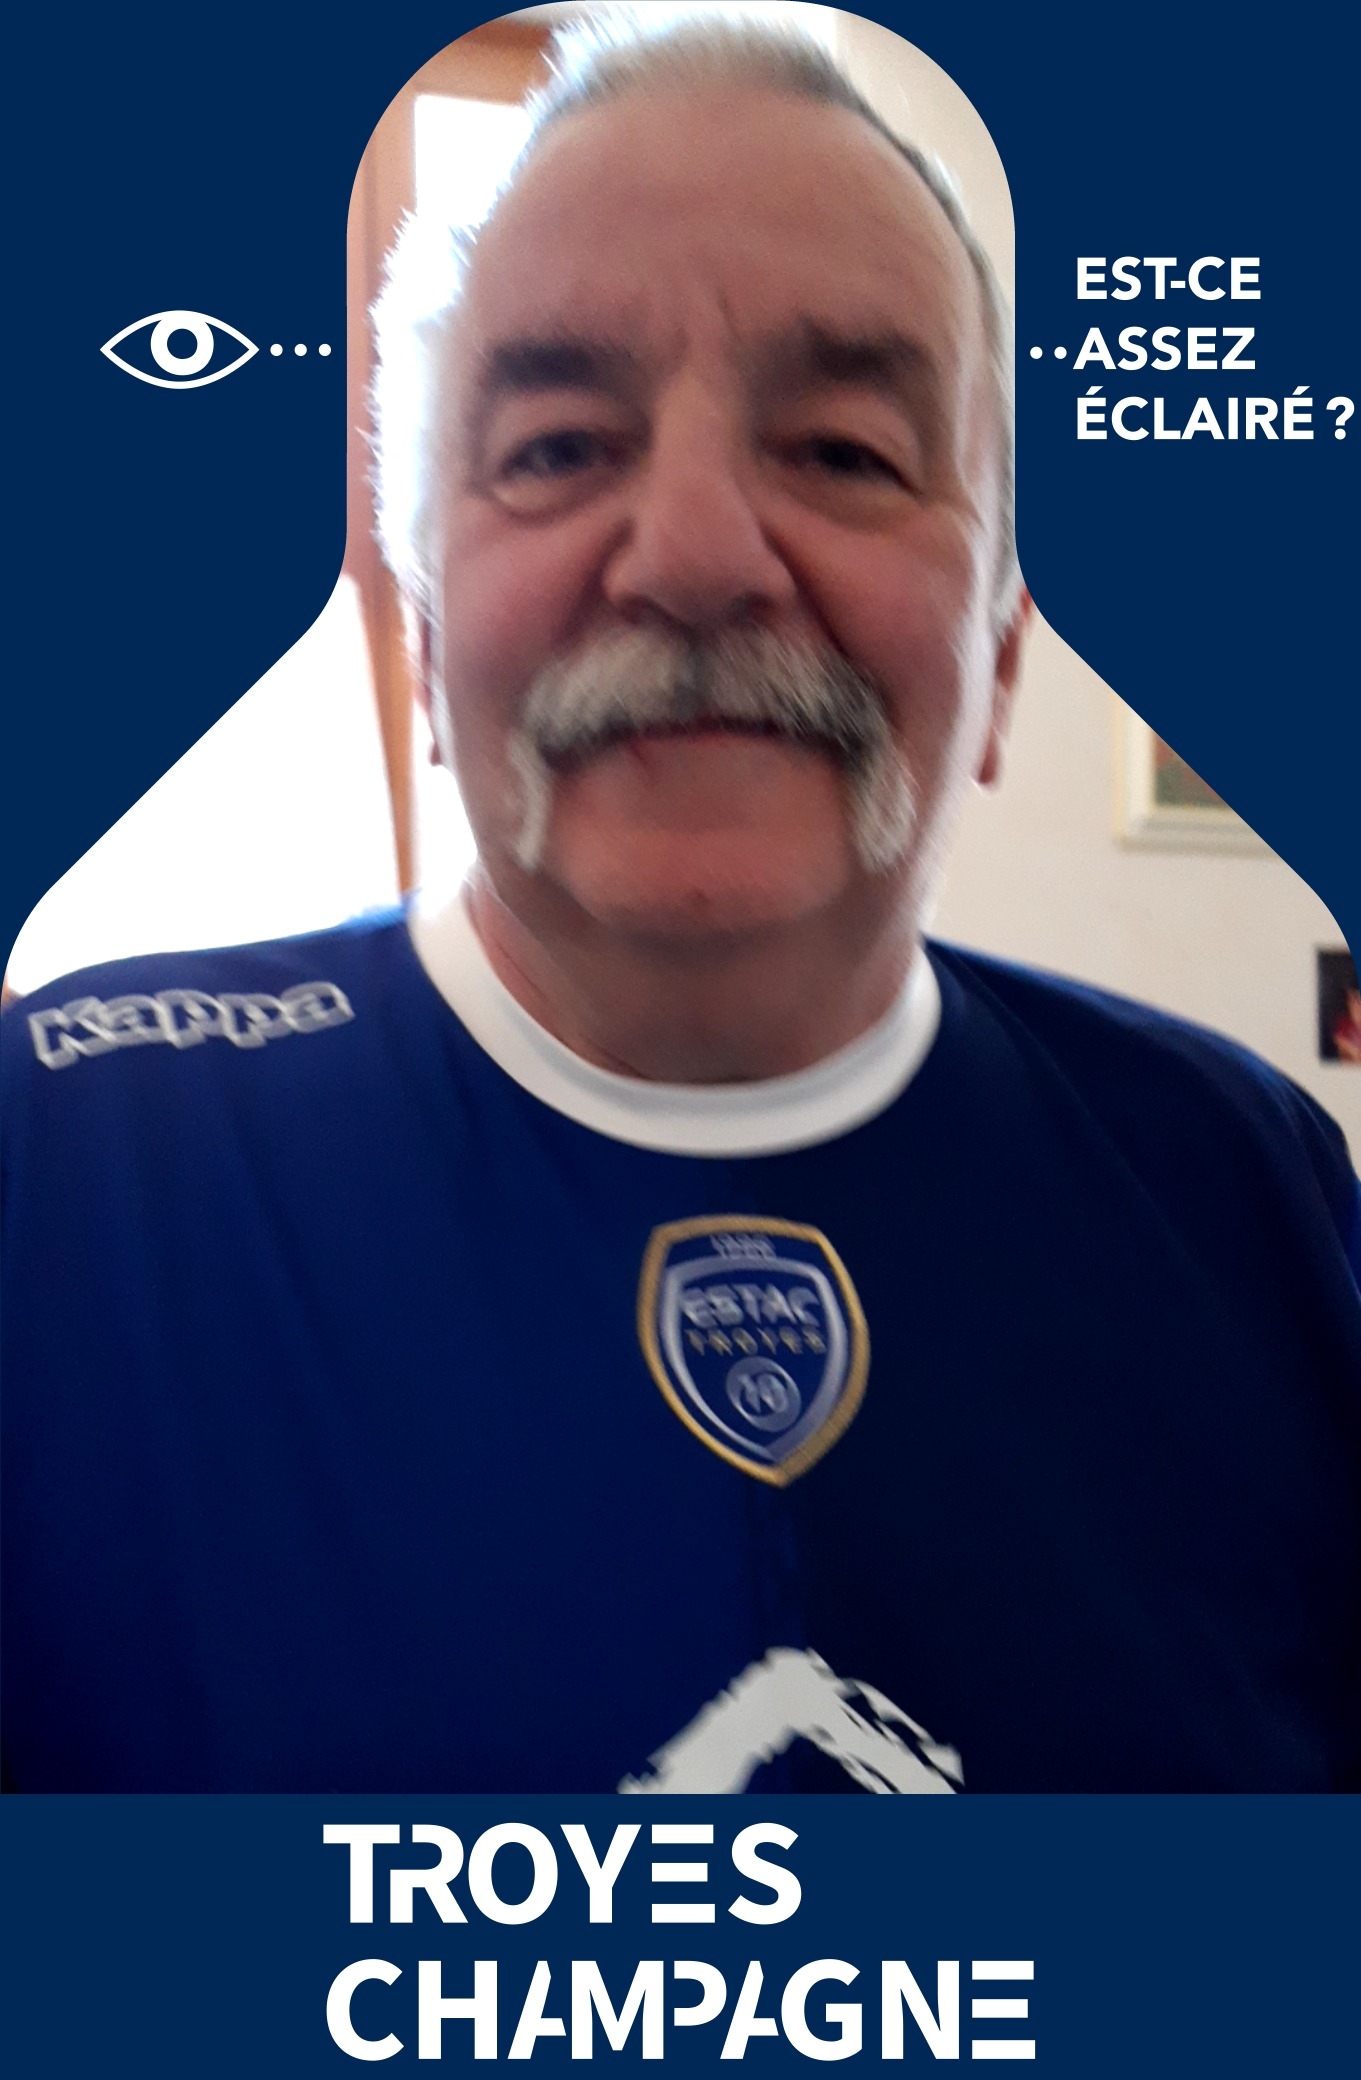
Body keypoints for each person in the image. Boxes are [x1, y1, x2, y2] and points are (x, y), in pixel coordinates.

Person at [3, 18, 1358, 1793]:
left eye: (847, 453)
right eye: (559, 447)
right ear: (425, 632)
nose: (700, 555)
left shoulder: (1251, 1190)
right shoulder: (65, 1176)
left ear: (1003, 660)